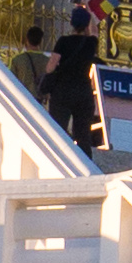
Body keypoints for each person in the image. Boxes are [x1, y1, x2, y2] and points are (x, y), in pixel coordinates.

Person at [39, 12, 105, 157]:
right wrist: (88, 8)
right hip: (83, 92)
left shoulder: (63, 41)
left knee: (59, 130)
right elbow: (94, 32)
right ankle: (85, 165)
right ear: (86, 26)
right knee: (83, 134)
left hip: (62, 91)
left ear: (72, 24)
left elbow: (51, 66)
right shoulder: (90, 43)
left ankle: (58, 158)